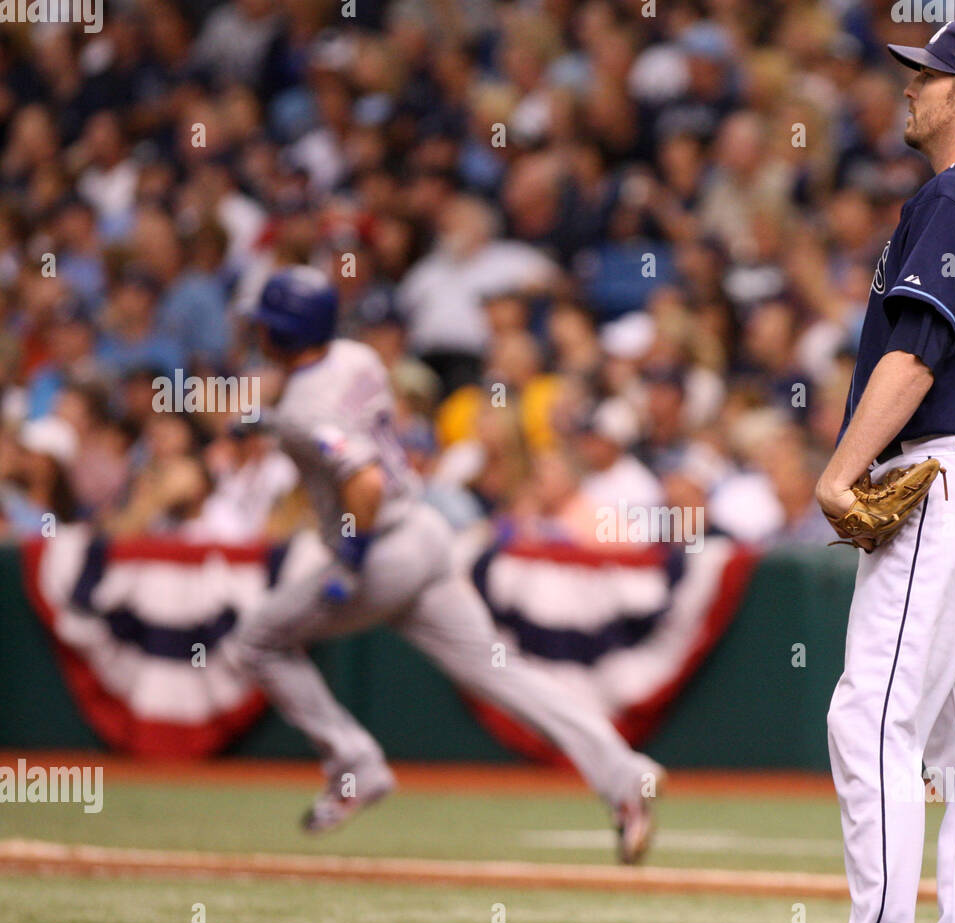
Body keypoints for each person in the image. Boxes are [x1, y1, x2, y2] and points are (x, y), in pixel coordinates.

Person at [743, 21, 955, 923]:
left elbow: (916, 352)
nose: (907, 87)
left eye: (926, 76)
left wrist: (839, 469)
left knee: (871, 718)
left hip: (950, 471)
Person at [233, 266, 662, 861]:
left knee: (256, 641)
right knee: (499, 670)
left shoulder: (308, 405)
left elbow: (363, 481)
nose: (258, 333)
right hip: (428, 534)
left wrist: (351, 562)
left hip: (379, 550)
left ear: (282, 329)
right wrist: (275, 422)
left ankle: (354, 763)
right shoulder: (356, 357)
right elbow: (338, 427)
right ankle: (622, 776)